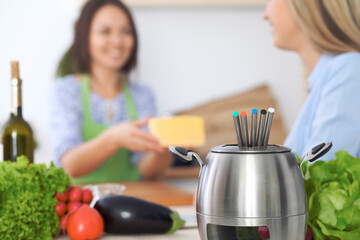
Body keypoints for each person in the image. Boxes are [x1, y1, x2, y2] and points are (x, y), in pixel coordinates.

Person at [50, 0, 172, 184]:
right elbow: (69, 165)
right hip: (82, 206)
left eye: (125, 32)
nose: (117, 41)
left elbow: (145, 169)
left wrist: (165, 149)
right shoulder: (66, 90)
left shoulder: (143, 95)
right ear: (85, 37)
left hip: (133, 201)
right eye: (105, 31)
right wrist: (114, 138)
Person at [263, 0, 360, 160]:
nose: (265, 15)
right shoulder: (327, 78)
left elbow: (321, 172)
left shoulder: (348, 69)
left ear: (305, 5)